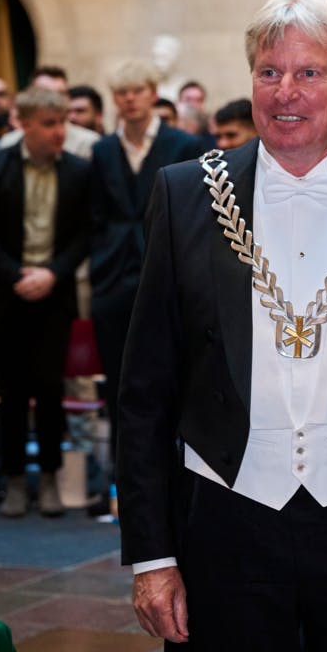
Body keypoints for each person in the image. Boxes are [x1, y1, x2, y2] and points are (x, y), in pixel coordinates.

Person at [118, 0, 327, 652]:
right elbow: (144, 391)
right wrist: (153, 556)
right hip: (224, 521)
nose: (286, 92)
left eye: (309, 73)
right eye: (268, 71)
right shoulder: (185, 194)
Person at [0, 87, 92, 517]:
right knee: (12, 390)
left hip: (53, 293)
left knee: (50, 388)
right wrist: (16, 275)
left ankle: (52, 479)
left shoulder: (77, 171)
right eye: (50, 124)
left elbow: (86, 233)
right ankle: (16, 479)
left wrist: (53, 273)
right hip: (7, 292)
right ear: (24, 124)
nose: (60, 133)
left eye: (63, 124)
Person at [89, 60, 207, 496]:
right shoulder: (103, 151)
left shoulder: (182, 145)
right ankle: (125, 486)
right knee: (121, 389)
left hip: (167, 279)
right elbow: (96, 216)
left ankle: (173, 484)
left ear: (152, 91)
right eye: (120, 93)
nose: (128, 99)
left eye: (136, 90)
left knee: (172, 383)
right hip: (114, 282)